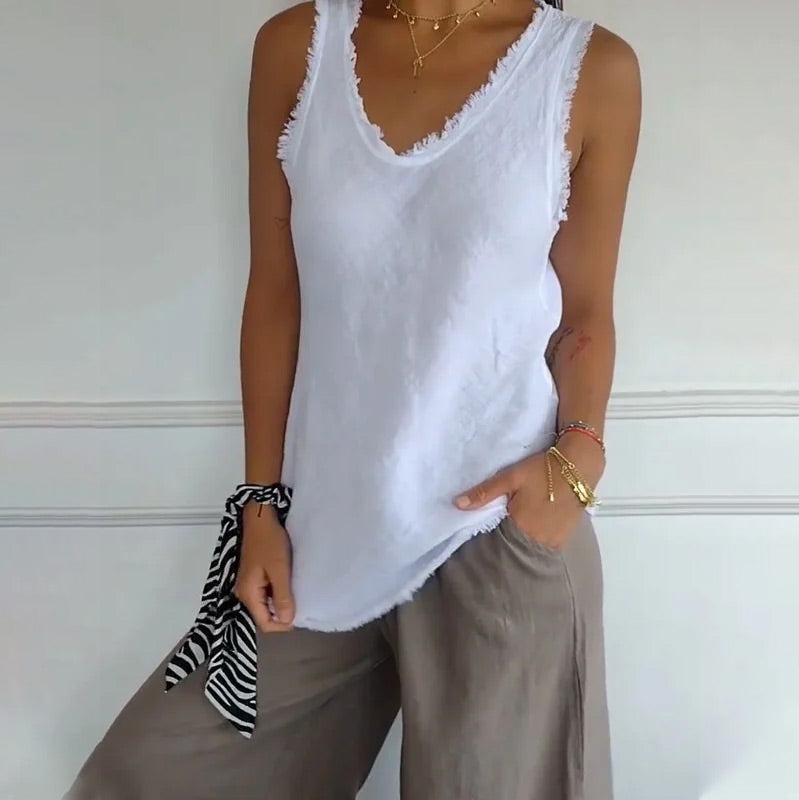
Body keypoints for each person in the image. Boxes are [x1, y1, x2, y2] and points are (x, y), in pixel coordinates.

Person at [64, 0, 640, 796]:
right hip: (323, 536)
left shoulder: (588, 68)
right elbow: (277, 295)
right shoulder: (299, 46)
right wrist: (260, 505)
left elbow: (585, 313)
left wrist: (579, 458)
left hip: (497, 532)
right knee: (144, 778)